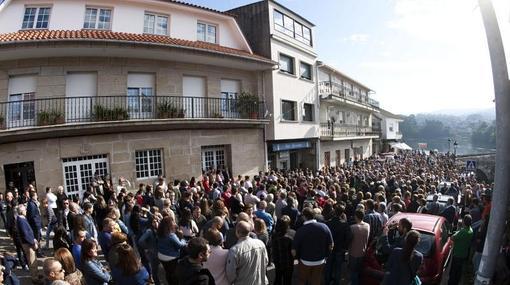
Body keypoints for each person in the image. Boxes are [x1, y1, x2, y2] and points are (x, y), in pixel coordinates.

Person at [292, 207, 333, 285]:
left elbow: (293, 251)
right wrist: (326, 256)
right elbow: (331, 245)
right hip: (320, 261)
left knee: (302, 281)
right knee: (316, 281)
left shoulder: (300, 230)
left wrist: (297, 258)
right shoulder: (324, 227)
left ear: (304, 217)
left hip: (304, 261)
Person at [226, 221, 268, 285]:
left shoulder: (235, 250)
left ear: (237, 232)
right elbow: (266, 261)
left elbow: (230, 275)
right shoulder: (260, 243)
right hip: (260, 282)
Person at [325, 204, 352, 285]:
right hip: (340, 249)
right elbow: (349, 237)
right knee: (338, 268)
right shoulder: (345, 224)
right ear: (342, 213)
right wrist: (345, 246)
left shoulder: (329, 223)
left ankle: (327, 281)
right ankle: (336, 282)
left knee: (329, 267)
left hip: (330, 248)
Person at [157, 216, 187, 285]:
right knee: (174, 274)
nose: (174, 223)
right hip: (170, 258)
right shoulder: (171, 235)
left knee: (167, 272)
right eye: (173, 221)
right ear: (169, 225)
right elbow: (180, 245)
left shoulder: (160, 232)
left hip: (161, 256)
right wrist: (182, 239)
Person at [448, 214, 474, 285]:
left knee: (453, 273)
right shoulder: (470, 230)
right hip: (464, 254)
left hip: (457, 254)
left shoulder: (463, 231)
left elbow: (452, 238)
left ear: (464, 222)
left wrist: (458, 230)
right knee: (458, 272)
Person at [16, 204, 39, 282]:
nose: (26, 211)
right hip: (28, 244)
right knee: (32, 261)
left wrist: (34, 239)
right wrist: (33, 243)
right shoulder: (21, 220)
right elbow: (26, 235)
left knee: (33, 260)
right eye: (25, 210)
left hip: (29, 242)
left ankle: (36, 274)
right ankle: (34, 278)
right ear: (21, 211)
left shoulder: (22, 218)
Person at [271, 215, 295, 285]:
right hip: (288, 261)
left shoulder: (274, 234)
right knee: (287, 280)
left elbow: (273, 246)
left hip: (277, 259)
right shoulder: (292, 233)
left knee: (278, 277)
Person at [348, 209, 370, 285]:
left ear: (356, 217)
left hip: (353, 253)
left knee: (353, 271)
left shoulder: (352, 227)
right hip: (362, 252)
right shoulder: (367, 226)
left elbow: (349, 240)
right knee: (359, 271)